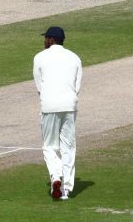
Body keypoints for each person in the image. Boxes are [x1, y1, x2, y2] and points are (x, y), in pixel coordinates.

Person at [33, 26, 82, 201]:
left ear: (51, 40)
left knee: (49, 146)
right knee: (68, 147)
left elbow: (39, 86)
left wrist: (48, 98)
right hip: (69, 105)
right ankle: (66, 191)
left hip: (49, 106)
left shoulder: (39, 57)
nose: (44, 41)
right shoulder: (75, 58)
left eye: (45, 38)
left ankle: (55, 176)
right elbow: (77, 86)